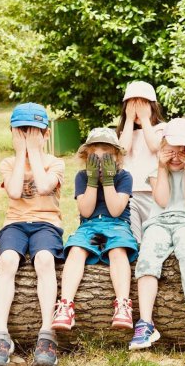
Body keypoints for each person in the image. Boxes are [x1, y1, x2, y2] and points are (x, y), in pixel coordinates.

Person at [0, 103, 65, 366]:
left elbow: (43, 187)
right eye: (21, 132)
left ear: (46, 135)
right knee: (7, 260)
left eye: (33, 132)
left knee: (44, 260)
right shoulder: (9, 163)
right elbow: (13, 191)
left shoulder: (54, 163)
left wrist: (33, 150)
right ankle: (0, 334)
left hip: (46, 224)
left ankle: (47, 333)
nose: (27, 137)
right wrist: (22, 153)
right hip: (16, 224)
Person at [128, 119, 185, 350]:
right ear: (162, 148)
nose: (175, 157)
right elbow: (162, 201)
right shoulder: (156, 172)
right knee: (147, 257)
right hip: (159, 222)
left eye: (182, 152)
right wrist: (162, 168)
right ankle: (145, 322)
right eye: (170, 151)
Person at [51, 128, 137, 332]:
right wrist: (92, 181)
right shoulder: (82, 177)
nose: (100, 164)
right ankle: (65, 306)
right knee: (76, 250)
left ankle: (123, 305)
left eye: (106, 158)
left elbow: (116, 210)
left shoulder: (124, 177)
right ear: (86, 158)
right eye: (94, 159)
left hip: (117, 225)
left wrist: (108, 180)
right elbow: (86, 211)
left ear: (117, 157)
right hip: (90, 226)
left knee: (117, 250)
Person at [116, 81, 168, 242]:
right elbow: (122, 151)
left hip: (153, 193)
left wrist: (145, 119)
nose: (137, 110)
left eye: (142, 105)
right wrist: (129, 120)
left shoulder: (162, 129)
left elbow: (154, 146)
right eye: (133, 106)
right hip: (129, 194)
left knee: (154, 235)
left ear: (152, 106)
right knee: (133, 236)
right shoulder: (125, 133)